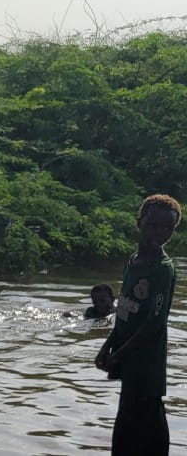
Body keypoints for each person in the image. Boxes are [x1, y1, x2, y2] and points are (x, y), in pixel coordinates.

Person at [95, 194, 179, 456]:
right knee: (136, 424)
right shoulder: (132, 262)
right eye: (153, 225)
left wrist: (118, 354)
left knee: (135, 426)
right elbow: (124, 313)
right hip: (128, 358)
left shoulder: (162, 269)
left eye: (168, 228)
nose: (160, 232)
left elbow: (154, 324)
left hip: (147, 362)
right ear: (139, 223)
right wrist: (106, 347)